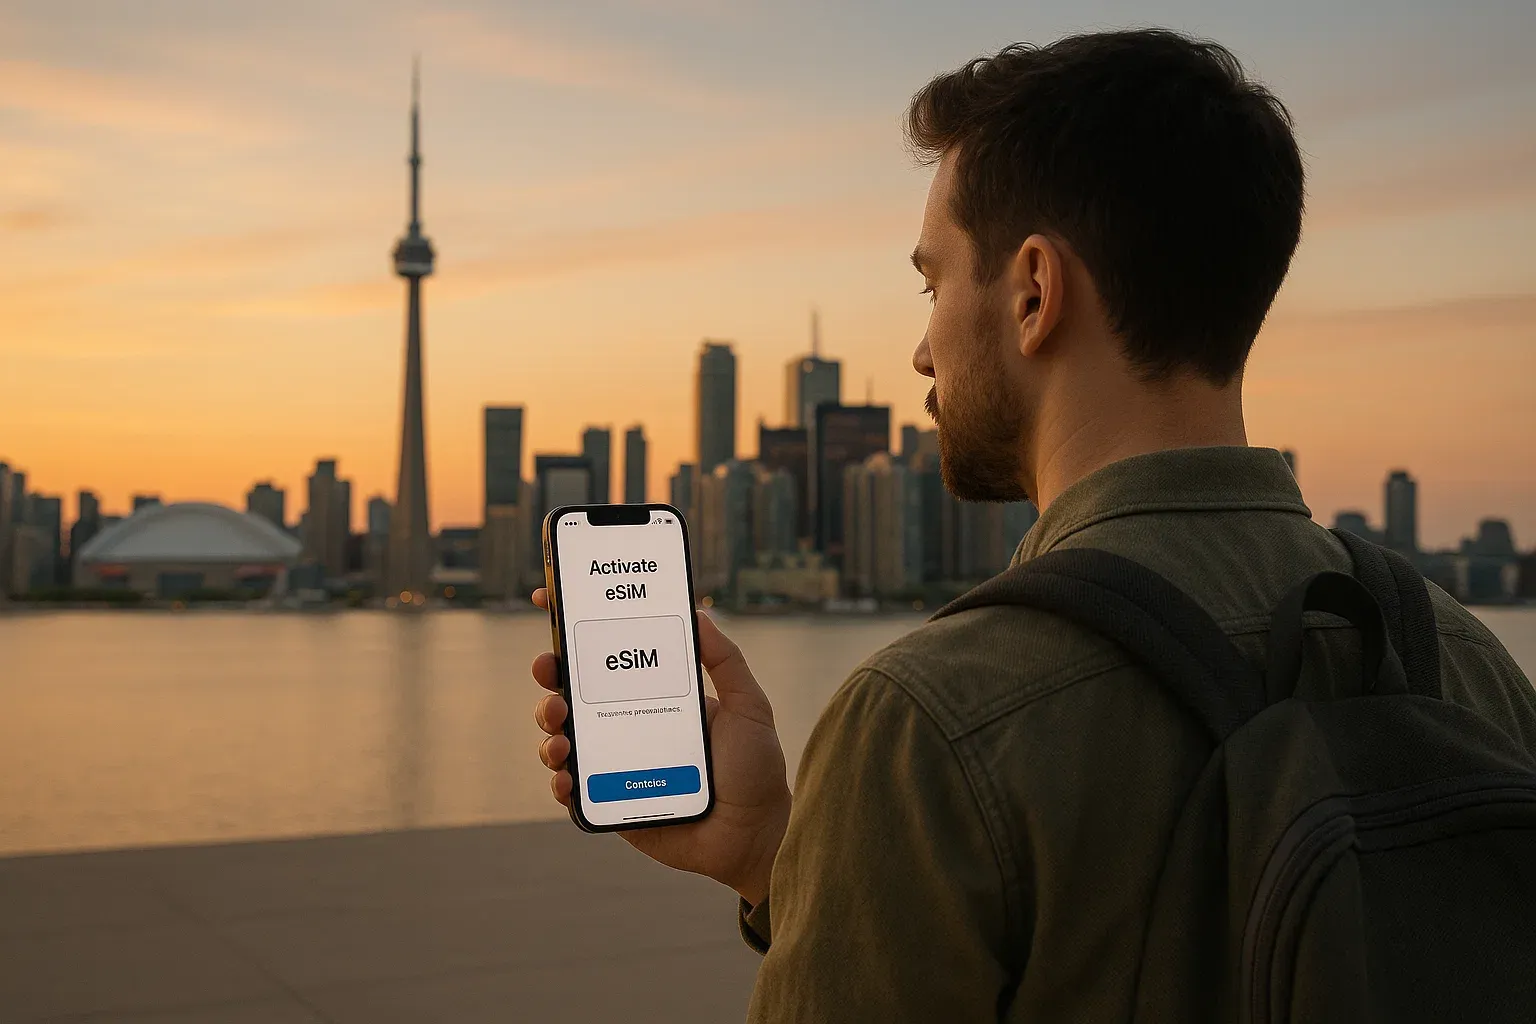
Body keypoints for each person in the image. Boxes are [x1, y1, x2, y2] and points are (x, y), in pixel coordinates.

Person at [530, 28, 1536, 1021]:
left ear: (1033, 293)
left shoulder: (928, 721)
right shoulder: (1465, 662)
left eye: (933, 284)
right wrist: (774, 852)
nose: (922, 351)